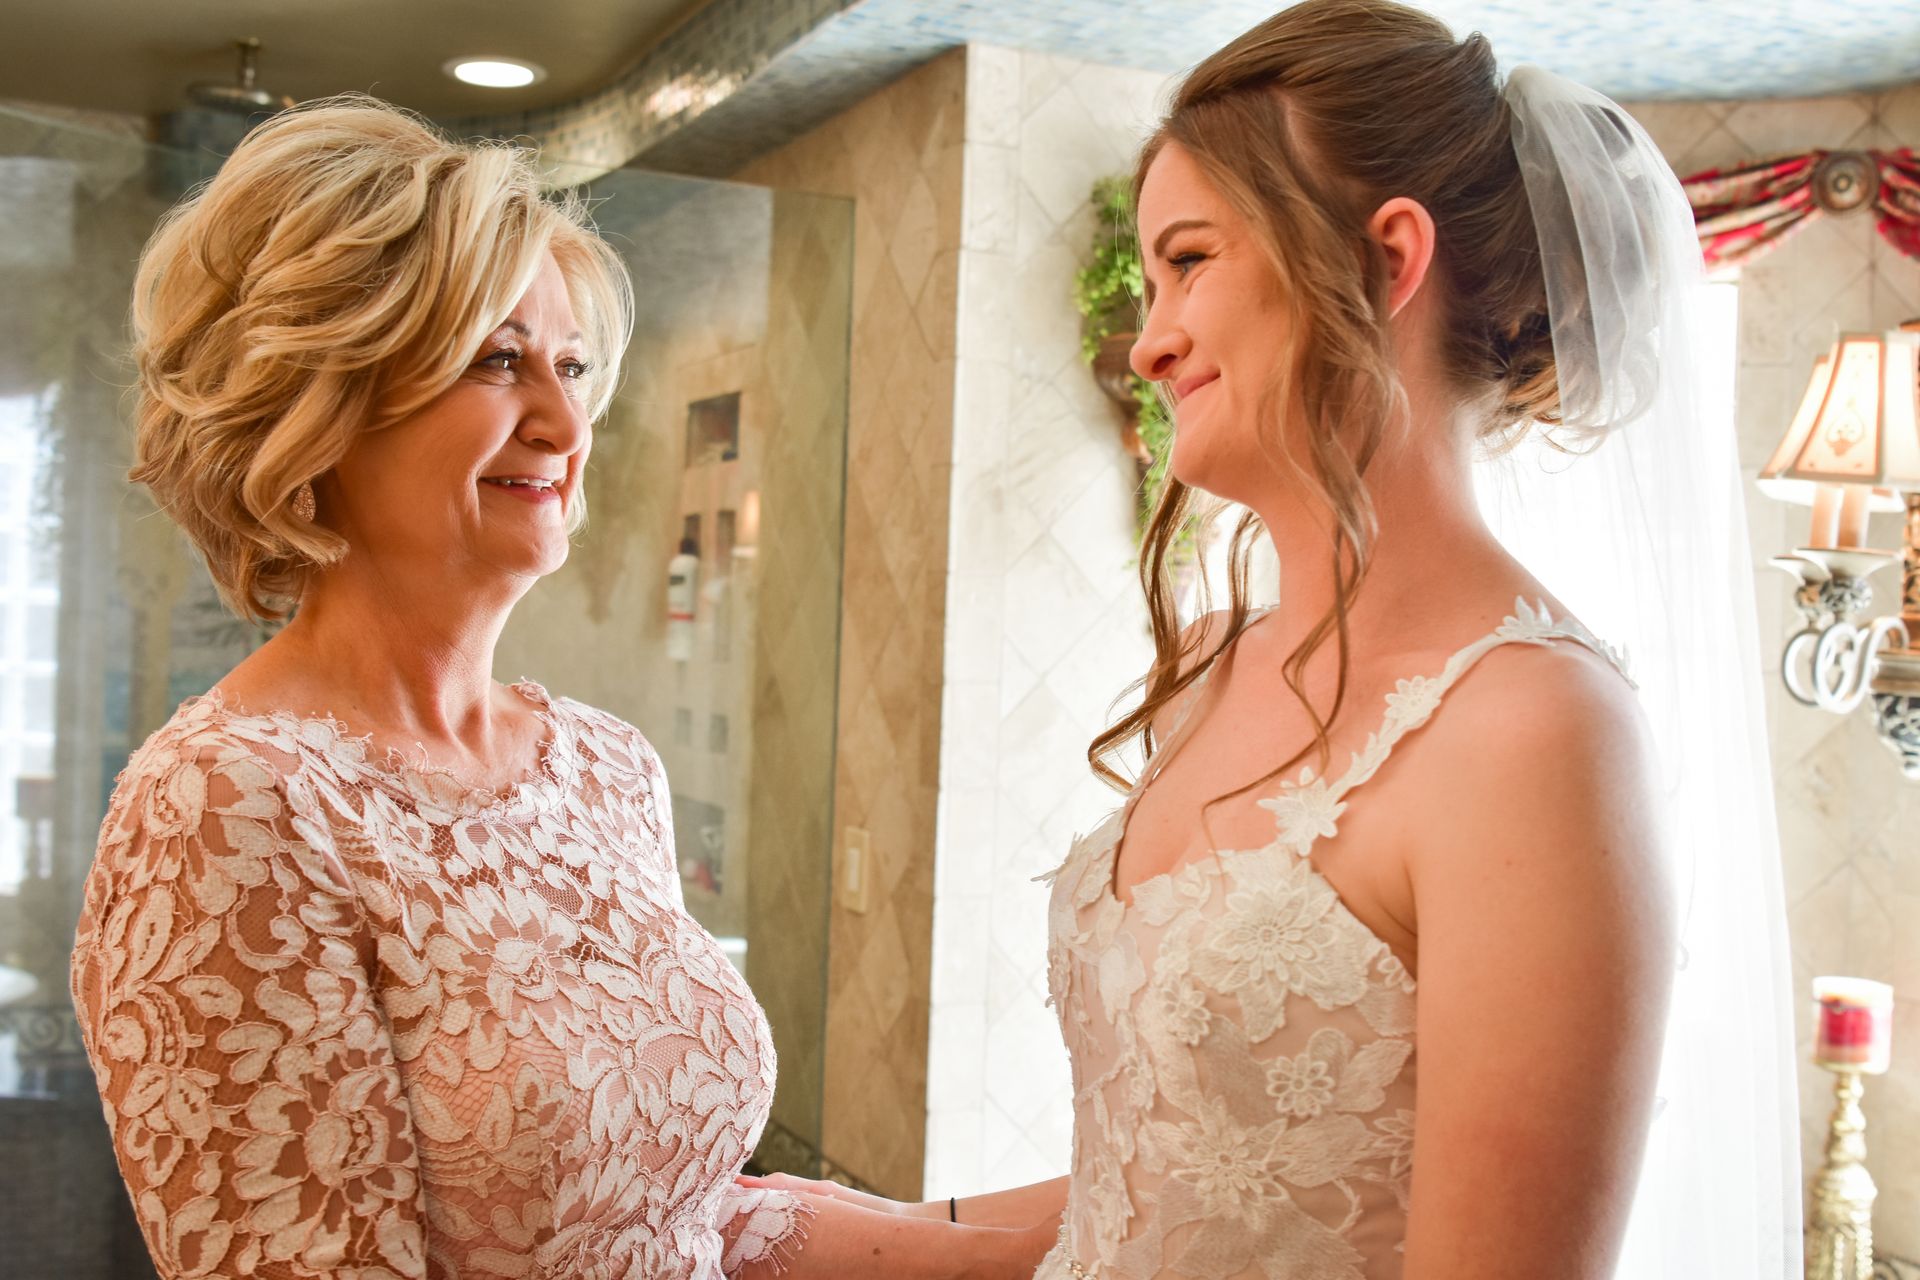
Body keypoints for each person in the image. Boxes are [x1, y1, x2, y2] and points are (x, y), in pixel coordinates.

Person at [754, 1, 1797, 1275]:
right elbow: (1179, 1180)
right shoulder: (1210, 663)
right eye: (1150, 282)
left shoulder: (1534, 732)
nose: (1149, 341)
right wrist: (858, 1231)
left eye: (1190, 262)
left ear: (1388, 260)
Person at [67, 96, 946, 1280]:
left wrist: (1039, 1238)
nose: (566, 421)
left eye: (573, 366)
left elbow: (670, 1219)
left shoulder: (607, 767)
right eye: (498, 360)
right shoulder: (225, 805)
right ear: (323, 402)